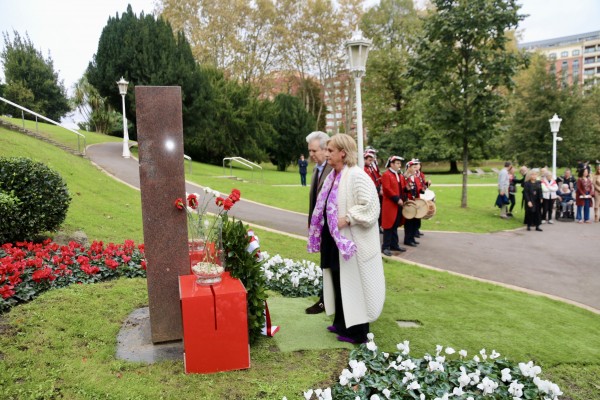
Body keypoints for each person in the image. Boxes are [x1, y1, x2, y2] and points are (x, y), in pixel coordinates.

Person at [307, 133, 385, 344]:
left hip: (350, 242)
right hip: (334, 239)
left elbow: (371, 206)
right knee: (338, 281)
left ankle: (358, 333)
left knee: (353, 284)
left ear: (343, 153)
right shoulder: (334, 175)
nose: (326, 153)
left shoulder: (356, 175)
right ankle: (341, 323)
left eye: (330, 150)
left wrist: (349, 218)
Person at [305, 131, 333, 314]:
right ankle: (326, 299)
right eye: (310, 151)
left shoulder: (333, 169)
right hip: (320, 227)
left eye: (314, 151)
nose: (311, 155)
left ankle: (327, 301)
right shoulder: (318, 168)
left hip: (332, 227)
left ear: (325, 149)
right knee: (325, 264)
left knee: (330, 265)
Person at [380, 156, 407, 256]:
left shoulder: (399, 174)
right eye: (397, 163)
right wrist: (397, 199)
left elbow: (402, 187)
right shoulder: (386, 174)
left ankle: (394, 244)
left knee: (395, 225)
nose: (399, 165)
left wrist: (406, 189)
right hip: (390, 204)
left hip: (398, 204)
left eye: (400, 163)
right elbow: (387, 189)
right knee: (388, 226)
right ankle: (385, 247)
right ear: (391, 164)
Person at [364, 149, 383, 230]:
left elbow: (377, 177)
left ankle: (378, 227)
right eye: (369, 159)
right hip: (372, 190)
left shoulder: (372, 166)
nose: (372, 160)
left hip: (377, 189)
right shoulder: (365, 168)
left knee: (378, 209)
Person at [403, 160, 421, 246]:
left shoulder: (415, 177)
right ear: (409, 168)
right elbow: (403, 190)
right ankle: (408, 239)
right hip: (409, 202)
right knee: (409, 222)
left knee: (414, 221)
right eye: (414, 167)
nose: (415, 169)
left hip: (415, 201)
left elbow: (417, 190)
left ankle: (412, 238)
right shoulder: (405, 177)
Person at [413, 159, 430, 237]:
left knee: (420, 213)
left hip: (421, 195)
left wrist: (427, 184)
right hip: (415, 196)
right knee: (415, 214)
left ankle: (417, 229)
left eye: (418, 164)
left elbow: (423, 186)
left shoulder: (421, 174)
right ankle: (414, 231)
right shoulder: (413, 174)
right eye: (414, 164)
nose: (416, 165)